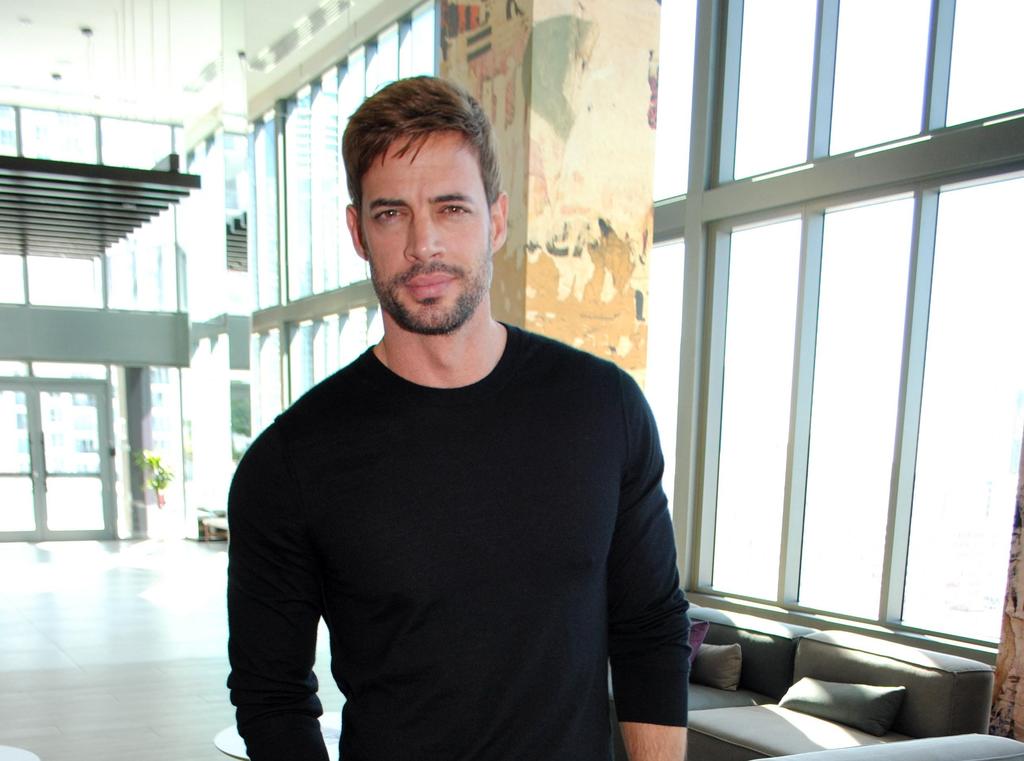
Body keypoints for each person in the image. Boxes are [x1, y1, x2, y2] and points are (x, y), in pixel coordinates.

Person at [227, 75, 691, 761]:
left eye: (451, 208)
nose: (424, 245)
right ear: (358, 232)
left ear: (496, 220)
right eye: (392, 213)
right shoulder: (290, 463)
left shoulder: (603, 409)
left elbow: (649, 625)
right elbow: (271, 695)